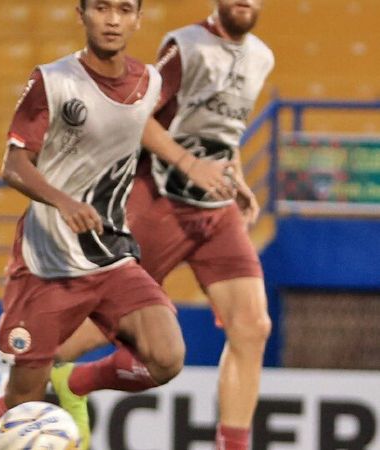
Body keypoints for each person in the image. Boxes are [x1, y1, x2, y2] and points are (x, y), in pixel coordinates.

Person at [0, 1, 237, 449]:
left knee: (166, 357)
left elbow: (145, 126)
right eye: (100, 7)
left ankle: (76, 381)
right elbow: (14, 165)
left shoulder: (149, 81)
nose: (112, 19)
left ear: (138, 18)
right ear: (82, 14)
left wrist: (204, 168)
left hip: (111, 254)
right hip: (47, 262)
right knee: (21, 412)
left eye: (123, 9)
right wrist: (62, 201)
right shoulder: (52, 80)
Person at [52, 1, 274, 449]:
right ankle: (42, 367)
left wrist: (237, 177)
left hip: (216, 208)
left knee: (252, 325)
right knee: (112, 318)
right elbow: (138, 116)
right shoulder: (187, 46)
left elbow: (220, 129)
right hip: (159, 199)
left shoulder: (261, 56)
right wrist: (191, 165)